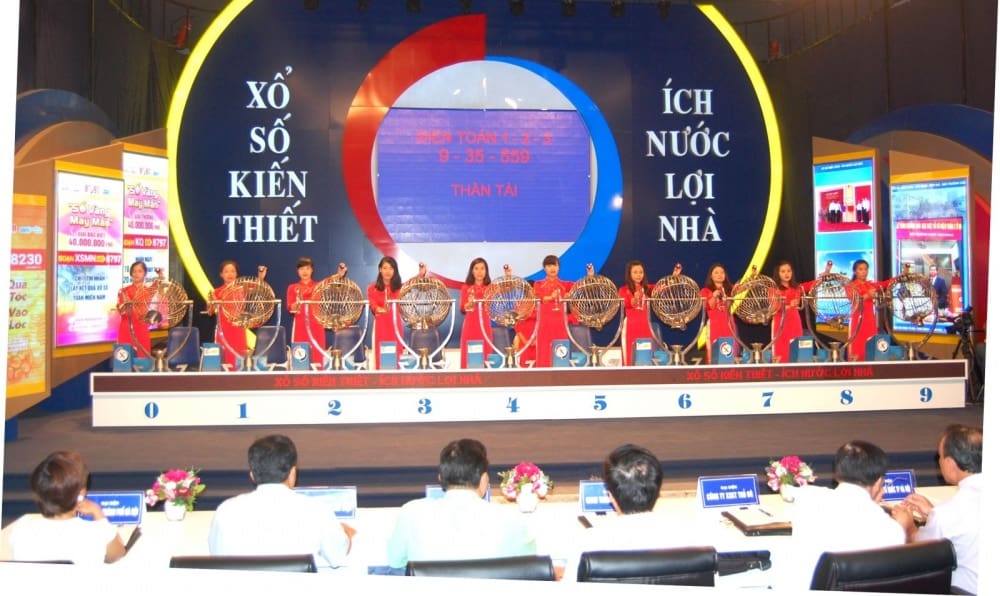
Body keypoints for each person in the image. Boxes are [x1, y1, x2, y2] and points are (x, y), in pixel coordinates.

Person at [386, 438, 535, 569]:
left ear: (440, 478)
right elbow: (529, 564)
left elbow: (395, 562)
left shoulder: (411, 513)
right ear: (484, 478)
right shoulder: (510, 519)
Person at [208, 434, 353, 568]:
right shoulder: (317, 510)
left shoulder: (225, 511)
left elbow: (217, 559)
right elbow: (338, 557)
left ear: (252, 475)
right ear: (293, 473)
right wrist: (344, 533)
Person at [783, 440, 905, 590]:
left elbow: (787, 492)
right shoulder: (892, 530)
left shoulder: (808, 497)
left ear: (837, 474)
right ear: (879, 482)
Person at [892, 424, 981, 594]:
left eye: (940, 457)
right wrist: (933, 512)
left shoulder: (948, 513)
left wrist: (909, 527)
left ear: (950, 463)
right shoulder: (948, 512)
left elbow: (922, 551)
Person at [9, 451, 126, 565]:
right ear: (81, 494)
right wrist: (99, 514)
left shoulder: (21, 529)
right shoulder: (96, 532)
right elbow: (117, 555)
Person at [366, 256, 426, 369]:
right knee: (381, 358)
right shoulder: (372, 288)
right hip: (380, 327)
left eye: (391, 268)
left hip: (395, 327)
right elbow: (373, 306)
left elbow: (411, 283)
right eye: (385, 268)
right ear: (380, 269)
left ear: (395, 271)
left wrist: (420, 274)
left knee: (396, 357)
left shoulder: (400, 288)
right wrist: (380, 309)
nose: (388, 271)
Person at [207, 261, 267, 370]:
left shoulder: (242, 289)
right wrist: (211, 303)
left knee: (239, 360)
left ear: (236, 274)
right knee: (222, 360)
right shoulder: (216, 292)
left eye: (232, 271)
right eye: (226, 271)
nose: (230, 274)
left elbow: (257, 287)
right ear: (221, 274)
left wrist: (261, 277)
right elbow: (210, 312)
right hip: (223, 331)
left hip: (238, 330)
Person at [287, 257, 347, 365]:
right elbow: (290, 307)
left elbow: (329, 281)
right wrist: (295, 306)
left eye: (307, 268)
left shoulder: (318, 286)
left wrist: (339, 275)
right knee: (300, 361)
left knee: (318, 357)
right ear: (297, 271)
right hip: (300, 327)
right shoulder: (292, 287)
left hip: (317, 325)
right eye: (302, 269)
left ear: (312, 270)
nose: (305, 272)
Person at [619, 261, 678, 365]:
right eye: (635, 272)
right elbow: (628, 304)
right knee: (630, 357)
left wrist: (674, 277)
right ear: (629, 274)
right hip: (631, 327)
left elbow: (664, 288)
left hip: (646, 326)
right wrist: (635, 298)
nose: (638, 275)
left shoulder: (648, 288)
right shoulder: (623, 290)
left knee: (646, 356)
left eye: (641, 272)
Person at [532, 255, 577, 367]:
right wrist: (551, 297)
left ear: (559, 267)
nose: (552, 268)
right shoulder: (538, 284)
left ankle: (561, 375)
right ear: (544, 268)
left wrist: (570, 295)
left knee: (561, 354)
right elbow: (539, 298)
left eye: (555, 265)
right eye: (549, 265)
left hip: (560, 324)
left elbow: (582, 288)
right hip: (544, 324)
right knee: (544, 355)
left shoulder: (566, 285)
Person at [115, 260, 166, 358]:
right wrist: (124, 306)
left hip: (141, 329)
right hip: (126, 329)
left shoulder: (148, 291)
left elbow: (160, 281)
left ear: (145, 273)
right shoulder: (124, 291)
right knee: (125, 360)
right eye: (134, 271)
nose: (136, 274)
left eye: (140, 271)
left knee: (143, 359)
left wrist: (160, 273)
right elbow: (121, 310)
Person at [847, 259, 886, 361]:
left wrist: (901, 276)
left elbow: (885, 283)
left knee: (871, 348)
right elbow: (854, 300)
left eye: (865, 269)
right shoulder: (850, 286)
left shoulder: (870, 285)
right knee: (857, 348)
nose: (864, 272)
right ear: (855, 271)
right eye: (861, 269)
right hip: (858, 321)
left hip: (870, 321)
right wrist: (867, 295)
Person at [459, 257, 492, 368]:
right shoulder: (466, 288)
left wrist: (508, 276)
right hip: (470, 327)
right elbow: (462, 308)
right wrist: (469, 304)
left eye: (482, 268)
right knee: (470, 357)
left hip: (485, 326)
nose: (479, 272)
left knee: (486, 356)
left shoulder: (490, 288)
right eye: (476, 268)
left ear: (486, 271)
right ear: (472, 271)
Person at [771, 260, 804, 363]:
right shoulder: (773, 289)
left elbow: (811, 285)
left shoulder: (797, 288)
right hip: (780, 324)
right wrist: (790, 306)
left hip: (795, 322)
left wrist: (826, 272)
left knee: (797, 351)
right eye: (783, 271)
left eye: (789, 271)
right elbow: (775, 308)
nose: (786, 274)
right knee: (781, 352)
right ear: (778, 273)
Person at [700, 263, 733, 364]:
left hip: (728, 325)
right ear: (711, 276)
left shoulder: (730, 290)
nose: (720, 275)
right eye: (716, 273)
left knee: (728, 355)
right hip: (714, 326)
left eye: (722, 272)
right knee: (714, 357)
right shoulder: (705, 291)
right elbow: (710, 306)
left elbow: (731, 305)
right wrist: (714, 296)